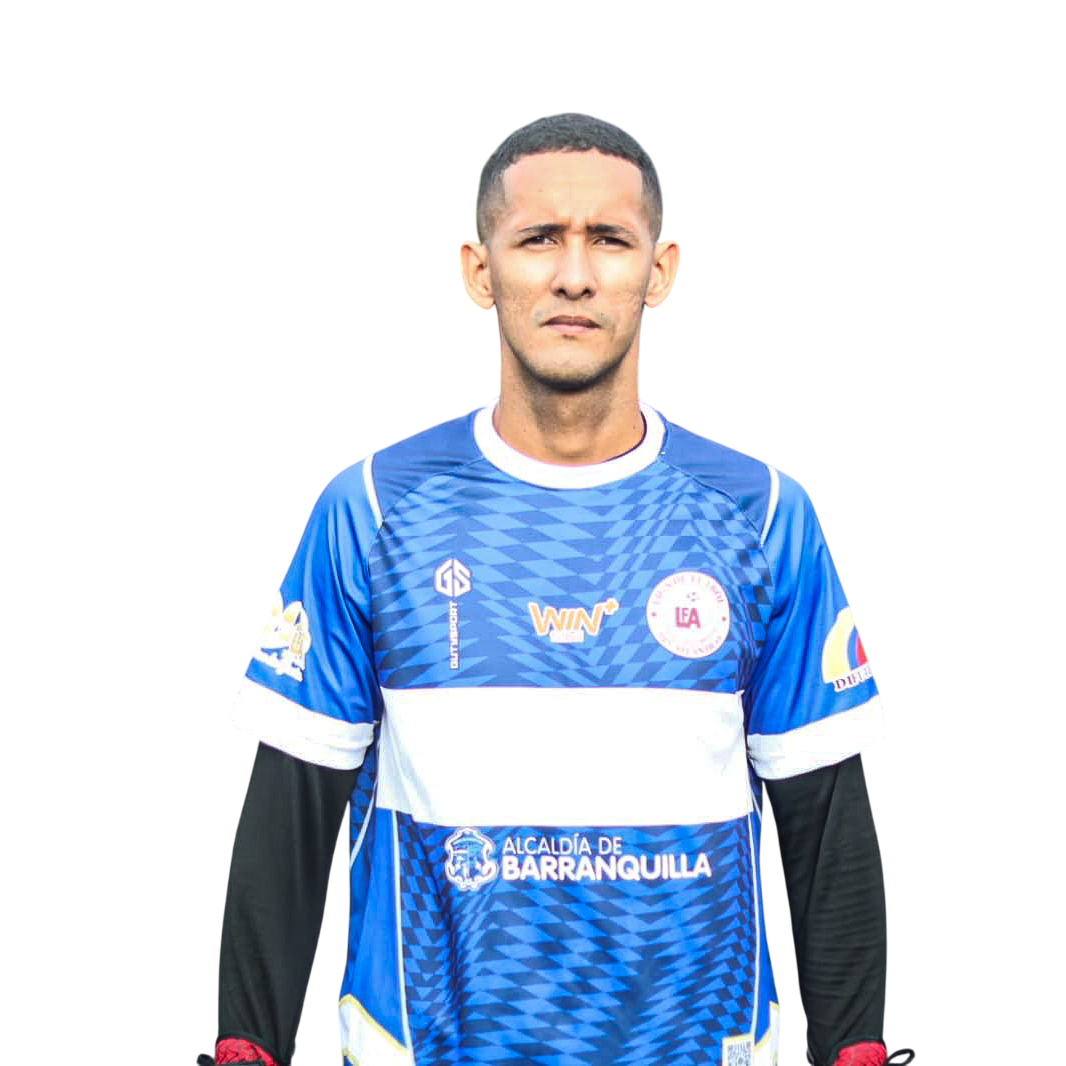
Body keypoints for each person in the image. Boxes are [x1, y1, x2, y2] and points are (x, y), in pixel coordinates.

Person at [198, 113, 914, 1066]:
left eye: (608, 239)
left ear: (658, 271)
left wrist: (855, 1051)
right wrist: (246, 1050)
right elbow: (292, 814)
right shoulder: (371, 510)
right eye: (538, 238)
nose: (574, 274)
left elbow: (825, 830)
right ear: (479, 270)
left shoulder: (763, 515)